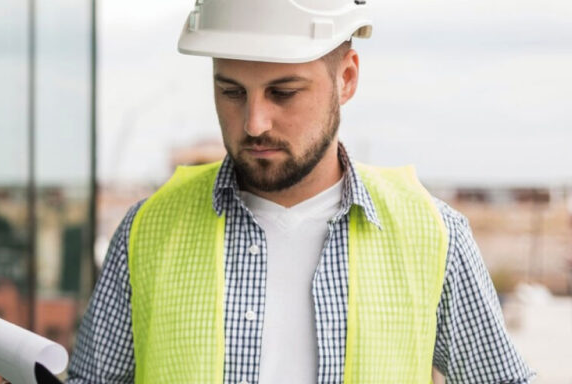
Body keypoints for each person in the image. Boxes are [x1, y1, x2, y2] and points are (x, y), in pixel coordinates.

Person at [66, 1, 534, 383]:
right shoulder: (147, 232)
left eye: (283, 93)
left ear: (346, 78)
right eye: (231, 92)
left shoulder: (433, 235)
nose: (254, 123)